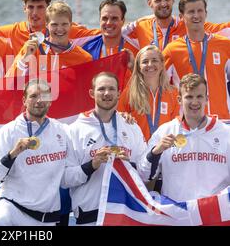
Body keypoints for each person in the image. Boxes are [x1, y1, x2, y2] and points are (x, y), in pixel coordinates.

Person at [0, 79, 70, 226]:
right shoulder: (9, 132)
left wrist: (122, 117)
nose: (39, 101)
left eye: (44, 96)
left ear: (51, 101)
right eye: (34, 96)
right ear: (24, 100)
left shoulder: (62, 131)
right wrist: (12, 154)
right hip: (12, 208)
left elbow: (85, 131)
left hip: (45, 217)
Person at [63, 72, 146, 225]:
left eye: (111, 89)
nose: (107, 93)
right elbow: (65, 179)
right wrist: (92, 165)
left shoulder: (132, 127)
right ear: (91, 93)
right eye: (101, 89)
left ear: (119, 93)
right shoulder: (74, 130)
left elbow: (145, 174)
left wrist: (129, 165)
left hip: (126, 214)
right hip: (89, 216)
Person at [137, 73, 230, 201]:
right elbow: (143, 176)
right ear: (179, 99)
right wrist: (155, 152)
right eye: (189, 97)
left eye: (199, 96)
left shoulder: (225, 133)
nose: (194, 102)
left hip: (214, 214)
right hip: (178, 214)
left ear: (207, 99)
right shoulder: (165, 131)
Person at [162, 0, 230, 121]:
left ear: (206, 14)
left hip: (223, 121)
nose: (196, 15)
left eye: (200, 11)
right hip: (188, 123)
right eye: (191, 12)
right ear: (182, 17)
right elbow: (158, 85)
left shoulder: (225, 45)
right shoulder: (172, 50)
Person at [123, 0, 230, 50]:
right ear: (149, 3)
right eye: (158, 0)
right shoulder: (140, 26)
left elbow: (223, 28)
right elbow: (115, 31)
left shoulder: (187, 24)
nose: (164, 4)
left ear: (173, 0)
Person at [6, 0, 92, 77]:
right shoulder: (32, 49)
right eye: (54, 24)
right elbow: (8, 82)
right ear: (46, 25)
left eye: (64, 24)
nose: (59, 29)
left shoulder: (84, 58)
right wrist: (25, 59)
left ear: (71, 25)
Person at [118, 45, 180, 142]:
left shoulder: (173, 93)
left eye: (154, 60)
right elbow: (117, 120)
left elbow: (176, 127)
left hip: (163, 151)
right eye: (145, 62)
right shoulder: (130, 92)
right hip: (138, 151)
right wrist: (124, 116)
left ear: (162, 64)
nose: (150, 64)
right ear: (138, 66)